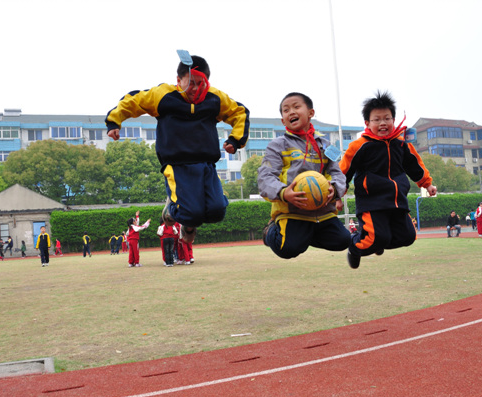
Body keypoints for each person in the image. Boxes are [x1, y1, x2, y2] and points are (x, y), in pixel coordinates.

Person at [105, 51, 249, 245]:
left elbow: (239, 112)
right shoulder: (163, 95)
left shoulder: (215, 98)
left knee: (217, 212)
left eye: (201, 83)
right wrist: (114, 121)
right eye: (190, 82)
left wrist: (235, 139)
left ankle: (190, 219)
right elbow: (134, 100)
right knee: (192, 213)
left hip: (206, 164)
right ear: (179, 80)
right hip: (177, 165)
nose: (195, 88)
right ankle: (172, 212)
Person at [339, 91, 437, 269]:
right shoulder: (359, 146)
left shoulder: (401, 144)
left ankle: (378, 243)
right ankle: (354, 246)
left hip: (397, 202)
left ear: (393, 120)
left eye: (387, 118)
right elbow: (344, 171)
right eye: (377, 119)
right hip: (372, 203)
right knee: (373, 239)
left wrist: (427, 183)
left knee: (408, 237)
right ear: (367, 123)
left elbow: (415, 165)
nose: (383, 123)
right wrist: (337, 196)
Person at [258, 92, 351, 259]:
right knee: (287, 249)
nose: (291, 112)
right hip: (292, 211)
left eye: (296, 106)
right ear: (283, 120)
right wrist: (283, 192)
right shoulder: (277, 145)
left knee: (343, 241)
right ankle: (270, 231)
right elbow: (265, 177)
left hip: (323, 212)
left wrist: (335, 189)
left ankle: (305, 236)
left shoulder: (326, 145)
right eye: (286, 110)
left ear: (311, 113)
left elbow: (337, 172)